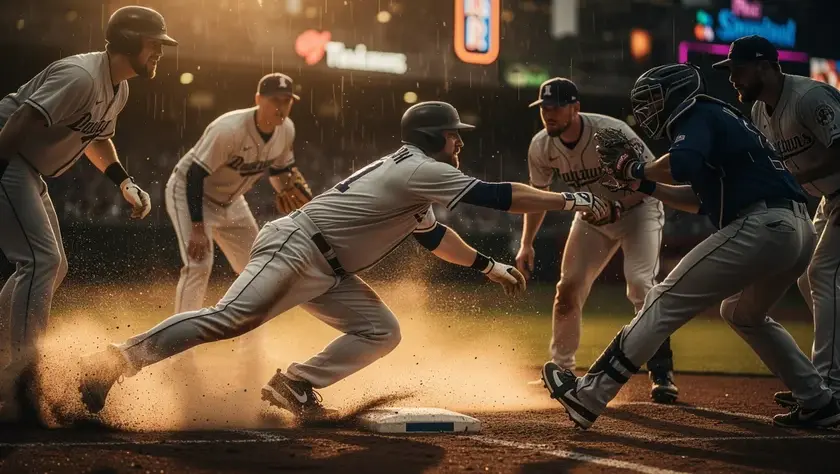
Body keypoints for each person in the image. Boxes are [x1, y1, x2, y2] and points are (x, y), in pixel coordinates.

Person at [77, 101, 617, 421]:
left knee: (380, 329)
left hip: (325, 267)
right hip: (296, 246)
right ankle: (119, 359)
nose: (459, 141)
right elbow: (499, 196)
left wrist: (488, 267)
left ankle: (294, 383)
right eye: (454, 133)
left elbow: (433, 238)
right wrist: (568, 198)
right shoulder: (421, 169)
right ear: (433, 137)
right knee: (230, 319)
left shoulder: (415, 175)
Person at [541, 63, 840, 430]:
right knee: (740, 312)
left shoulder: (696, 112)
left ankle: (588, 396)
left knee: (661, 300)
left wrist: (637, 170)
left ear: (675, 94)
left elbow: (680, 165)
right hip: (795, 229)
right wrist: (646, 186)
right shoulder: (721, 119)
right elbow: (699, 200)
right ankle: (817, 400)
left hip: (762, 225)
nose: (647, 108)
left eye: (653, 99)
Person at [0, 5, 177, 423]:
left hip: (27, 167)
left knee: (52, 264)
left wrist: (122, 181)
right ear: (131, 41)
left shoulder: (119, 88)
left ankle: (10, 358)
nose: (160, 53)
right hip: (9, 158)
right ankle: (22, 377)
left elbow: (97, 139)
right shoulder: (80, 76)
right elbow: (23, 117)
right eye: (155, 44)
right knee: (40, 260)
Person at [517, 78, 676, 403]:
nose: (549, 114)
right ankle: (561, 369)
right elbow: (538, 197)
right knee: (568, 289)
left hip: (639, 211)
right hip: (592, 219)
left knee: (640, 286)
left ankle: (662, 373)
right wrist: (526, 243)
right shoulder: (541, 146)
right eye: (545, 108)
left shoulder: (611, 132)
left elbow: (653, 175)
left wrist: (619, 206)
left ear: (576, 107)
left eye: (557, 107)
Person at [713, 35, 840, 410]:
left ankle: (831, 386)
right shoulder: (758, 113)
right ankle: (821, 382)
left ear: (765, 66)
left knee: (821, 272)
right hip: (828, 198)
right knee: (806, 275)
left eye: (737, 69)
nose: (732, 78)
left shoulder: (809, 97)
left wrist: (790, 182)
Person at [167, 72, 311, 317]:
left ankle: (251, 351)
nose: (281, 107)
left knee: (258, 269)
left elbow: (280, 171)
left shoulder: (287, 130)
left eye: (286, 101)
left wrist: (289, 187)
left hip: (231, 202)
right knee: (198, 265)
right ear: (258, 99)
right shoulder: (229, 129)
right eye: (275, 100)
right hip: (189, 192)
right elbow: (194, 175)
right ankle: (178, 349)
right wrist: (199, 227)